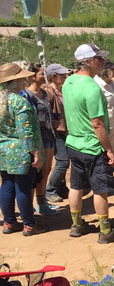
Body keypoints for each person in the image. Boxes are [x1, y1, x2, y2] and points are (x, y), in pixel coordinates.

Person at [63, 42, 114, 244]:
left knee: (76, 185)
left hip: (73, 142)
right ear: (87, 61)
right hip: (92, 145)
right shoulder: (92, 88)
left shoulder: (69, 82)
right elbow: (98, 124)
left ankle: (76, 224)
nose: (102, 61)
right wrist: (109, 150)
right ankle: (106, 230)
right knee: (100, 188)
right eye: (98, 58)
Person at [0, 63, 45, 236]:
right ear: (17, 80)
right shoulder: (19, 102)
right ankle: (29, 224)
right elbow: (25, 132)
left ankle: (9, 222)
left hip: (3, 150)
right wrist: (35, 153)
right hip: (20, 151)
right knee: (23, 187)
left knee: (7, 184)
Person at [23, 63, 60, 216]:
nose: (44, 76)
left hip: (48, 135)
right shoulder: (27, 95)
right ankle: (31, 205)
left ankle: (42, 202)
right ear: (32, 76)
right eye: (40, 74)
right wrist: (48, 123)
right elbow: (28, 119)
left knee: (46, 171)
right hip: (38, 137)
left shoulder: (44, 93)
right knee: (36, 173)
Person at [44, 63, 70, 204]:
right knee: (63, 161)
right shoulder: (49, 92)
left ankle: (61, 187)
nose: (65, 76)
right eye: (62, 75)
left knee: (65, 161)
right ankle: (50, 190)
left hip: (63, 130)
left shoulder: (60, 90)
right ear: (53, 77)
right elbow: (45, 112)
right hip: (56, 131)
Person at [94, 60, 114, 155]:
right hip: (103, 123)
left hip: (113, 121)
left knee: (112, 144)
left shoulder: (111, 83)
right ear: (106, 71)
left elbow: (113, 99)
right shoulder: (96, 85)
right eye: (113, 70)